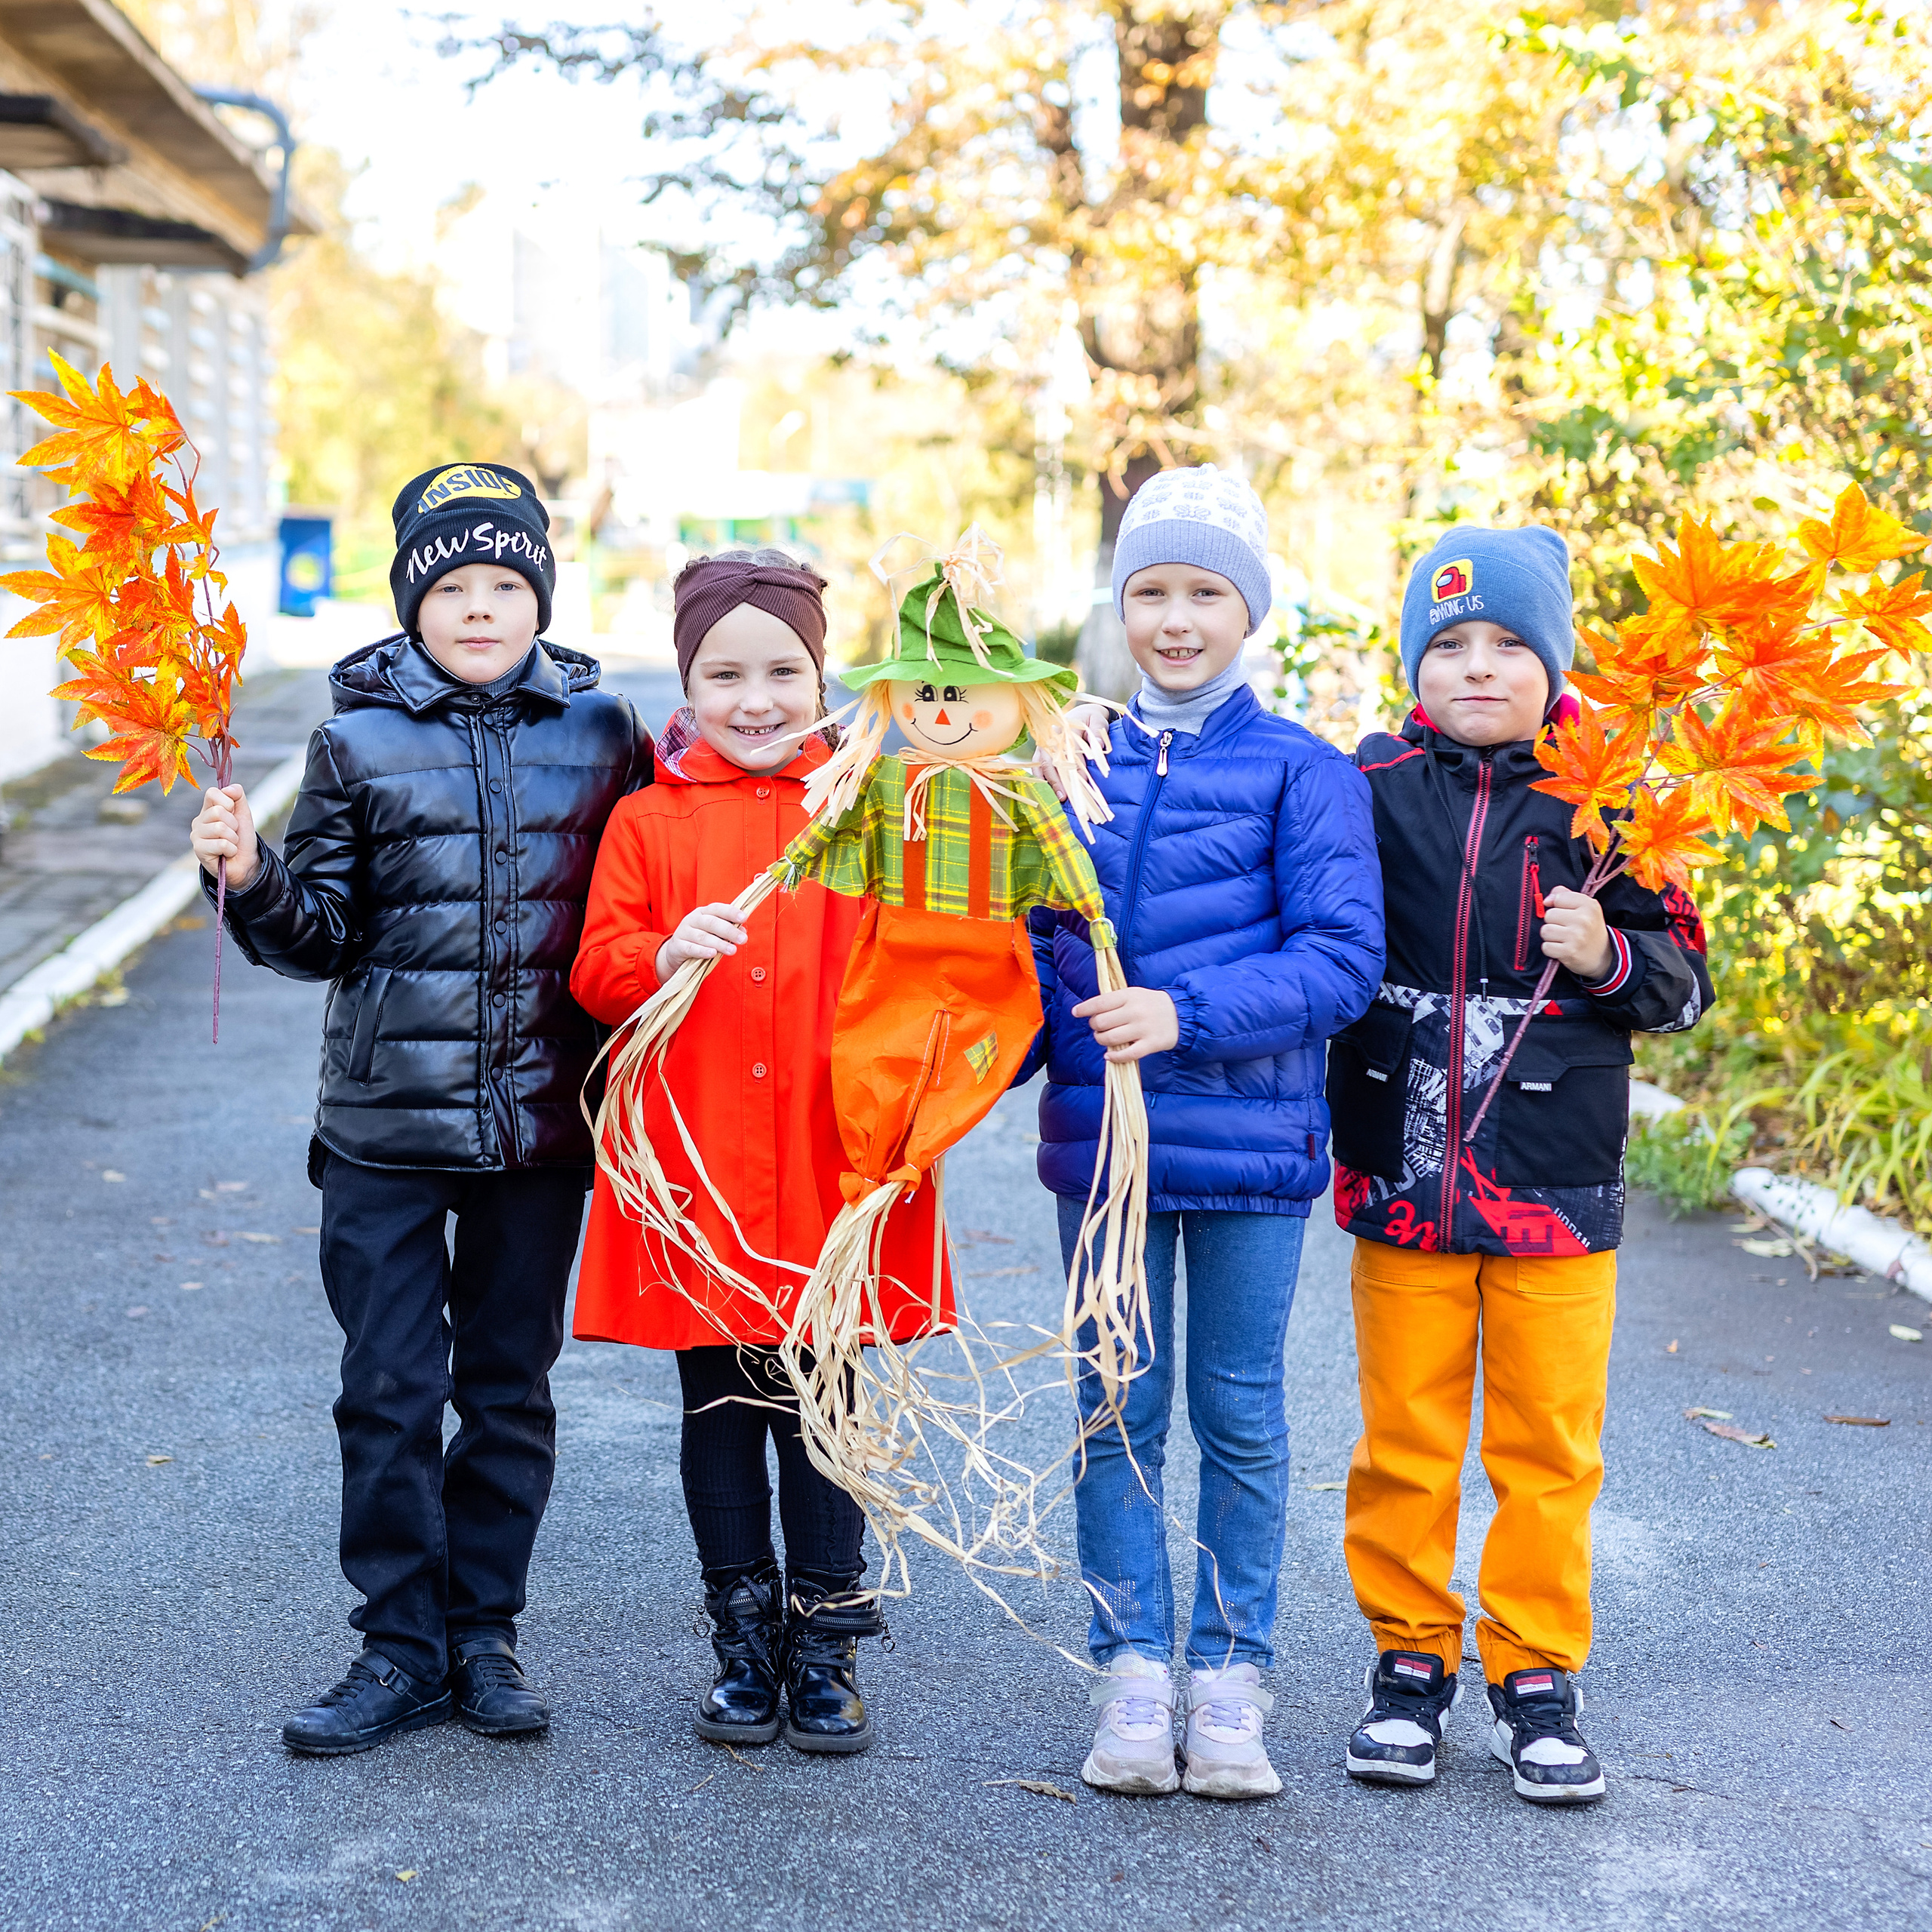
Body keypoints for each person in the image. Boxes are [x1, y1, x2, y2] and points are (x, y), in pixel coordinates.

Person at [188, 463, 651, 1755]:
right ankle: (399, 1647)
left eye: (508, 582)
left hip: (540, 1135)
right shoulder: (355, 741)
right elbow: (317, 935)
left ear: (542, 595)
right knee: (389, 1389)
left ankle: (482, 1636)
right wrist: (251, 876)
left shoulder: (607, 733)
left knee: (508, 1389)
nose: (484, 607)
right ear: (413, 602)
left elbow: (646, 911)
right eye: (456, 585)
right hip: (385, 1131)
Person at [1330, 527, 1713, 1804]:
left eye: (1508, 644)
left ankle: (1536, 1674)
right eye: (1449, 646)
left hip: (1554, 1187)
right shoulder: (1366, 785)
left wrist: (1610, 952)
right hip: (1401, 1170)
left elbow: (1686, 987)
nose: (1479, 667)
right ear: (1413, 663)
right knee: (1405, 1437)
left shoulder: (1618, 802)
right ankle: (1408, 1662)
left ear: (1553, 663)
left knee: (1549, 1445)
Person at [1023, 466, 1384, 1799]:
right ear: (1122, 605)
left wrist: (1184, 1014)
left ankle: (1231, 1678)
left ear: (1251, 611)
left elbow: (1343, 962)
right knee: (1116, 1406)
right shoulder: (1072, 757)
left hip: (1248, 1147)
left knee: (1237, 1413)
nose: (1175, 620)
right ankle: (1130, 1670)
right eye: (1151, 592)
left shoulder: (1304, 770)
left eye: (1205, 593)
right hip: (1104, 1152)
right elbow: (1037, 953)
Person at [569, 550, 951, 1757]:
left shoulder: (871, 808)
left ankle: (827, 1640)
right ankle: (743, 1633)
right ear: (687, 681)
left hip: (834, 1157)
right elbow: (596, 967)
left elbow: (931, 976)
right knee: (725, 1399)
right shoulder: (646, 818)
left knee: (824, 1401)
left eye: (783, 669)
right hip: (700, 1167)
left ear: (822, 672)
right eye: (723, 672)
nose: (756, 697)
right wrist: (661, 952)